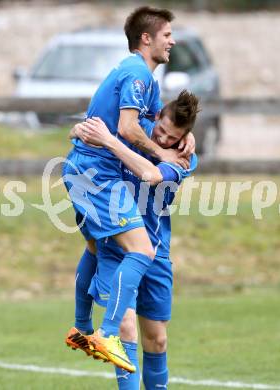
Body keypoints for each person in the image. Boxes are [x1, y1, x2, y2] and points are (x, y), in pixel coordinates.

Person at [63, 6, 195, 373]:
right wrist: (160, 153)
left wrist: (187, 136)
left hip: (86, 171)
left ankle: (82, 327)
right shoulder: (138, 71)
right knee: (142, 250)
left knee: (93, 245)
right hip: (97, 173)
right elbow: (128, 129)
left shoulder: (142, 78)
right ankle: (105, 333)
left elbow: (158, 120)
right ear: (147, 38)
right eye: (167, 34)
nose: (173, 40)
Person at [68, 90, 199, 389]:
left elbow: (150, 174)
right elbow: (80, 134)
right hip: (117, 246)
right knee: (124, 328)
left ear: (185, 138)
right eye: (161, 130)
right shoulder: (134, 133)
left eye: (172, 137)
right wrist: (80, 129)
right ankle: (85, 327)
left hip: (156, 250)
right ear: (155, 118)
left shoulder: (183, 159)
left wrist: (111, 142)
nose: (163, 139)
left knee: (157, 339)